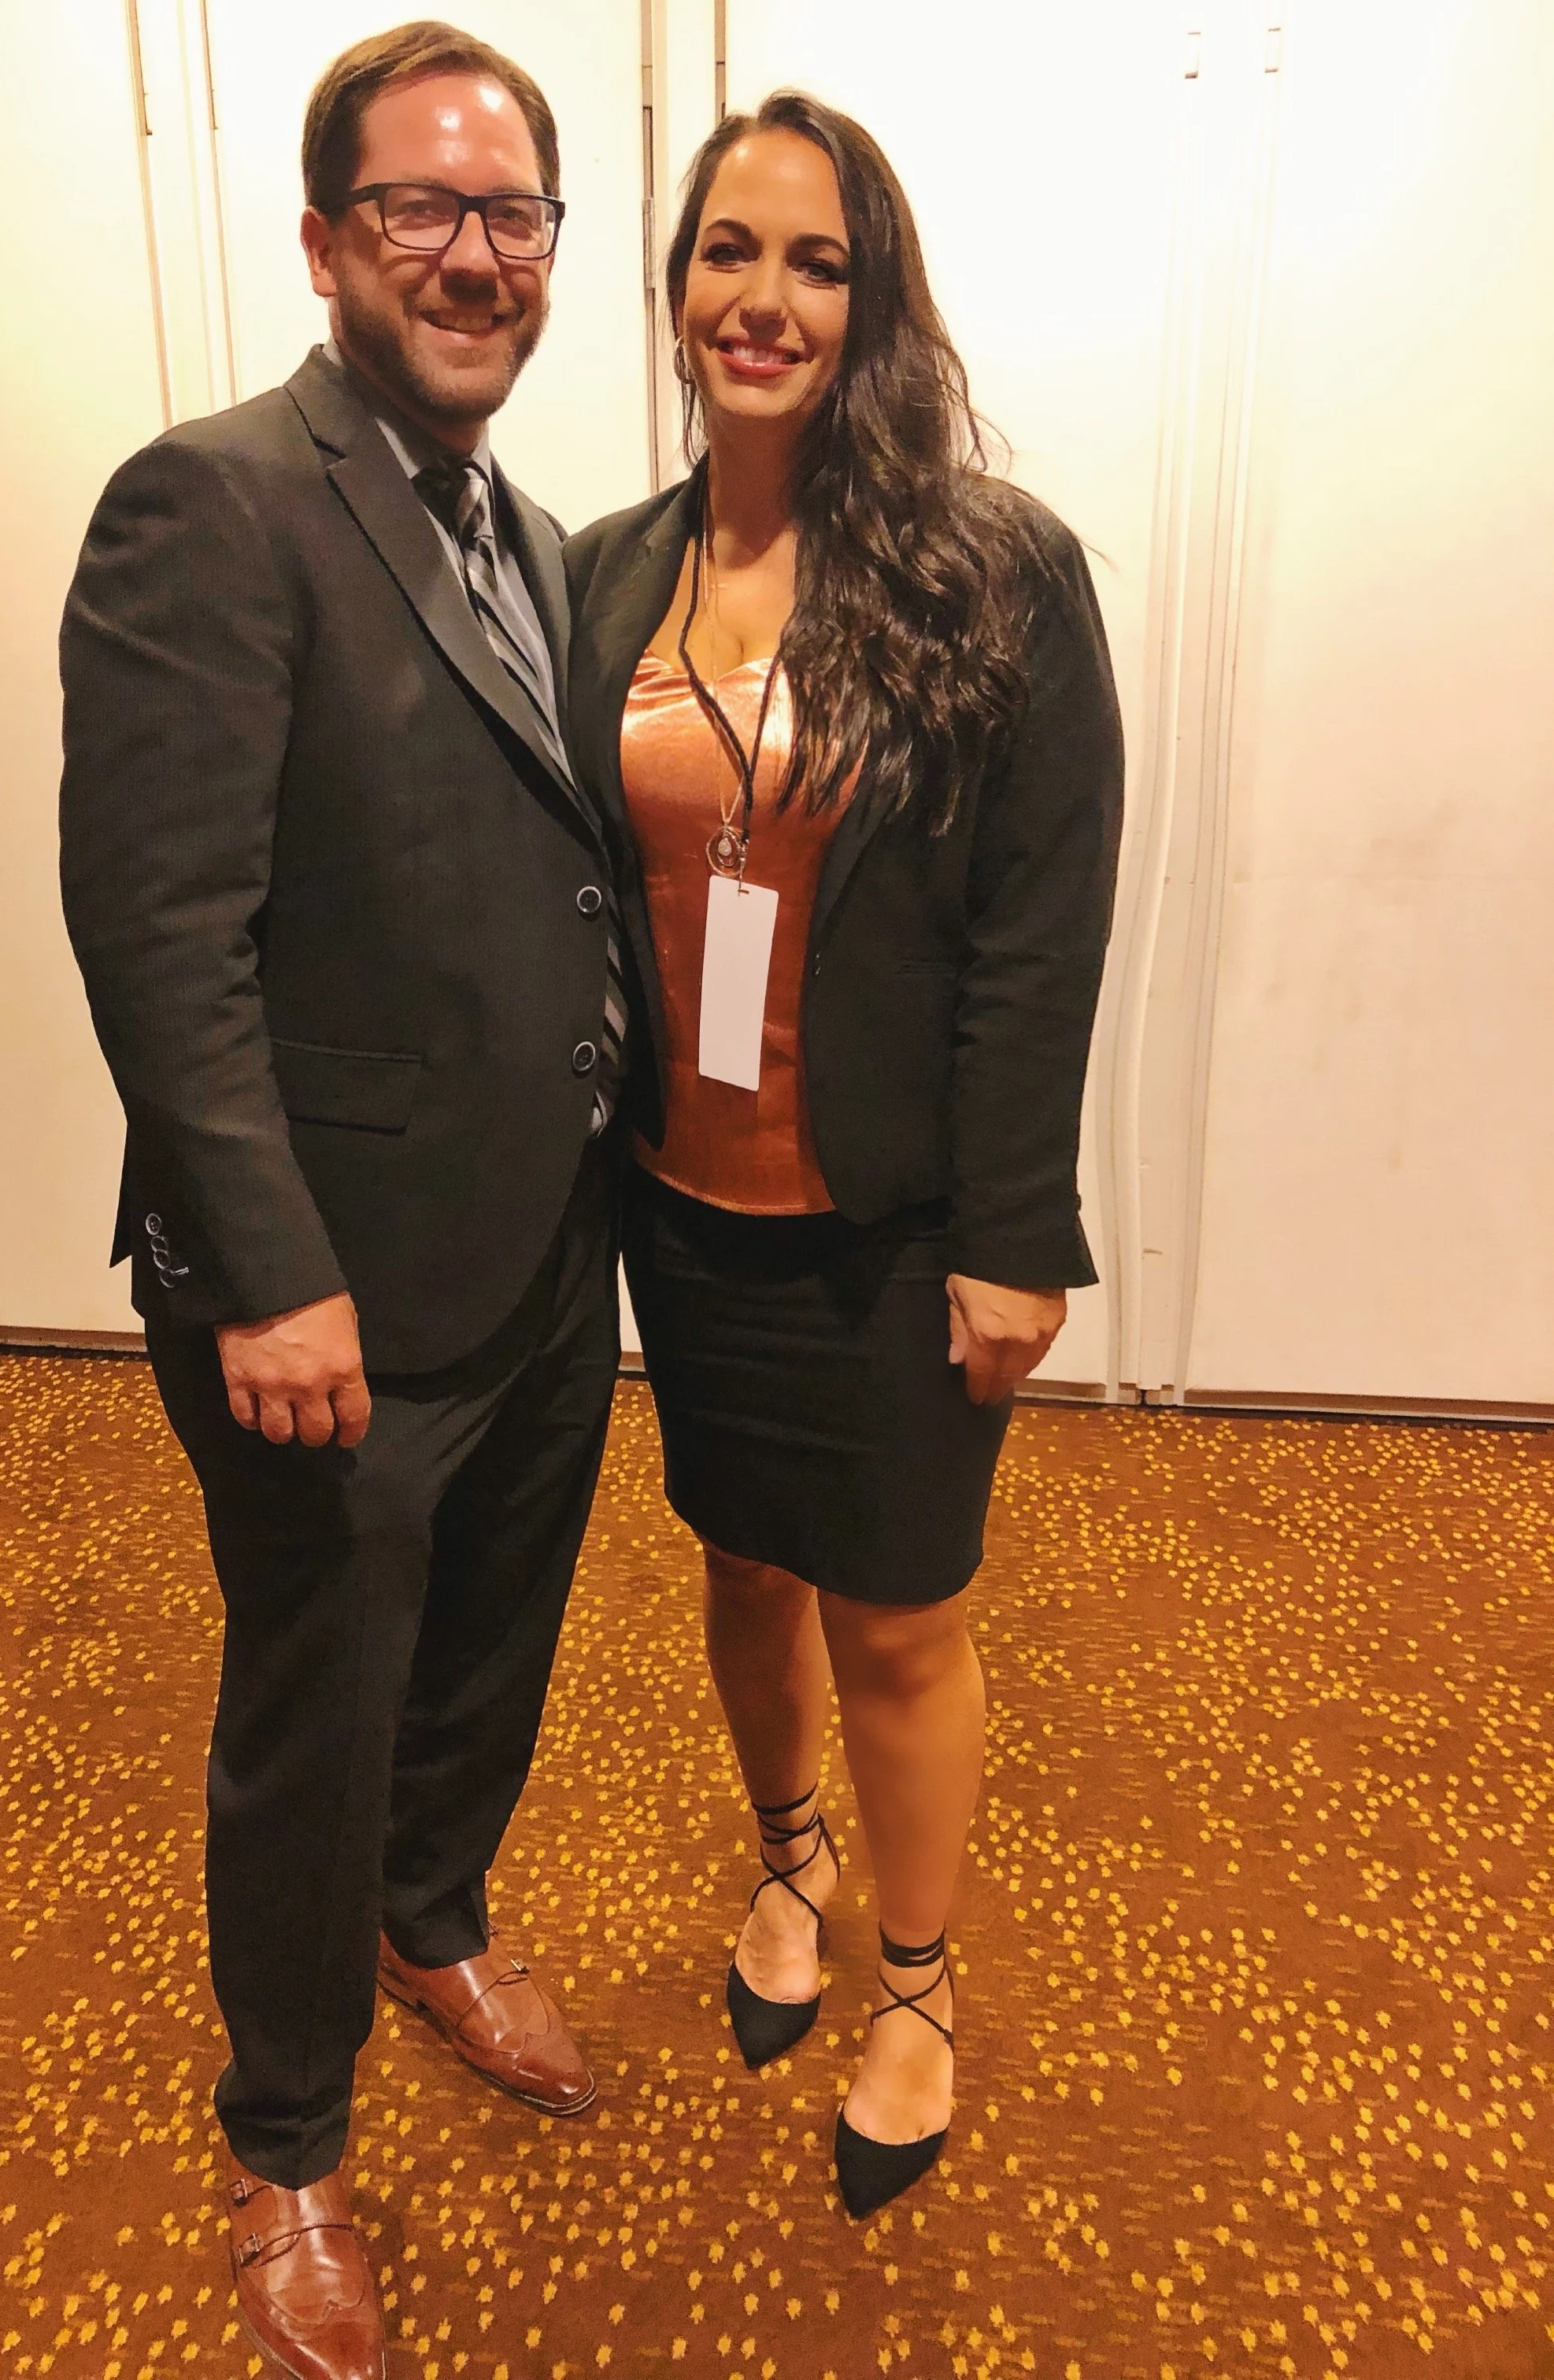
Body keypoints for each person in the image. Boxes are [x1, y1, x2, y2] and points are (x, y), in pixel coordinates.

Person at [60, 25, 629, 2377]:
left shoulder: (543, 539)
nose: (474, 256)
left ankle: (436, 1914)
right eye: (422, 209)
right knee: (319, 1705)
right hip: (321, 1304)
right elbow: (157, 929)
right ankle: (284, 2150)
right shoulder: (212, 504)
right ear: (322, 244)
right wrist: (273, 1277)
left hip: (535, 1245)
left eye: (514, 215)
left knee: (485, 1655)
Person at [564, 91, 1123, 2221]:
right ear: (676, 280)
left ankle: (915, 1979)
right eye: (728, 252)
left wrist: (1016, 1231)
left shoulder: (991, 577)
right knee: (736, 1559)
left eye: (813, 262)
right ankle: (781, 1866)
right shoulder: (606, 568)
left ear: (869, 300)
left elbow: (1034, 927)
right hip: (681, 1207)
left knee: (896, 1615)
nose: (763, 299)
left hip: (891, 1225)